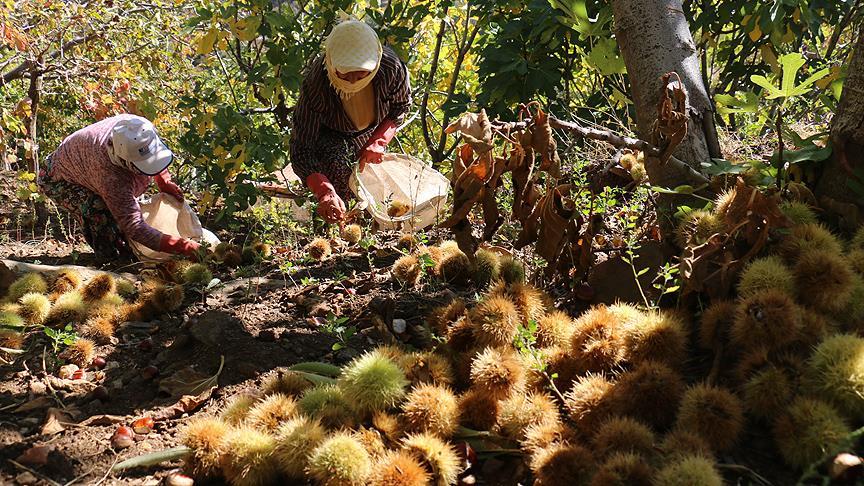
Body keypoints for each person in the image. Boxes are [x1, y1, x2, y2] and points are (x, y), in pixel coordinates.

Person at [289, 16, 411, 223]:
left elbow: (401, 107)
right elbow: (301, 148)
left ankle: (371, 229)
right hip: (332, 137)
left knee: (374, 190)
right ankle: (334, 227)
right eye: (345, 74)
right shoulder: (317, 83)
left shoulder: (391, 68)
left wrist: (379, 141)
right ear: (331, 63)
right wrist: (324, 190)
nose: (354, 81)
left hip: (373, 132)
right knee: (339, 178)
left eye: (362, 74)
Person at [38, 114, 201, 261]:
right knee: (99, 211)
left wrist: (164, 181)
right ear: (124, 162)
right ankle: (110, 260)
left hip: (85, 163)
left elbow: (152, 153)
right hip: (57, 178)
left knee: (121, 211)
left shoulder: (140, 128)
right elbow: (134, 226)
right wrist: (183, 247)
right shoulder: (110, 175)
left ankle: (126, 251)